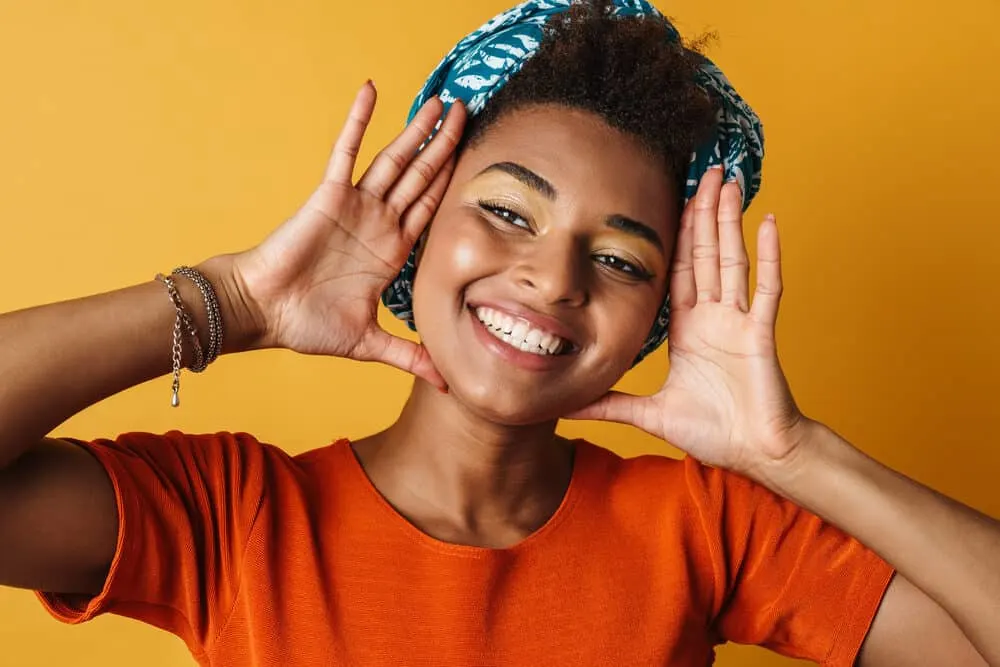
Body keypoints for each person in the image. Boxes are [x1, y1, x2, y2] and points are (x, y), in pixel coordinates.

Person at [0, 0, 996, 665]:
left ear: (658, 319)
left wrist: (794, 452)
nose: (551, 277)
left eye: (618, 259)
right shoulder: (234, 516)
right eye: (509, 212)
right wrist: (232, 302)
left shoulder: (702, 525)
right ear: (419, 223)